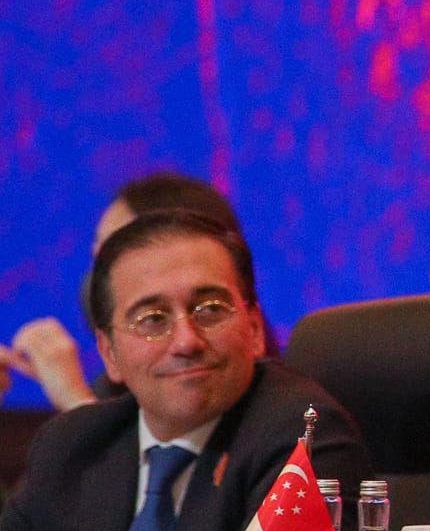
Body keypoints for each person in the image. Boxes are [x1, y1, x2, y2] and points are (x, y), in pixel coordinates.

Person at [0, 210, 367, 531]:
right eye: (152, 319)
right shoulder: (71, 446)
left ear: (254, 328)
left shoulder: (304, 435)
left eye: (210, 310)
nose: (186, 341)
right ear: (109, 354)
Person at [2, 171, 249, 413]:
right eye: (97, 257)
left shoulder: (263, 399)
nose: (97, 278)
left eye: (117, 252)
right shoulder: (116, 384)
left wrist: (73, 397)